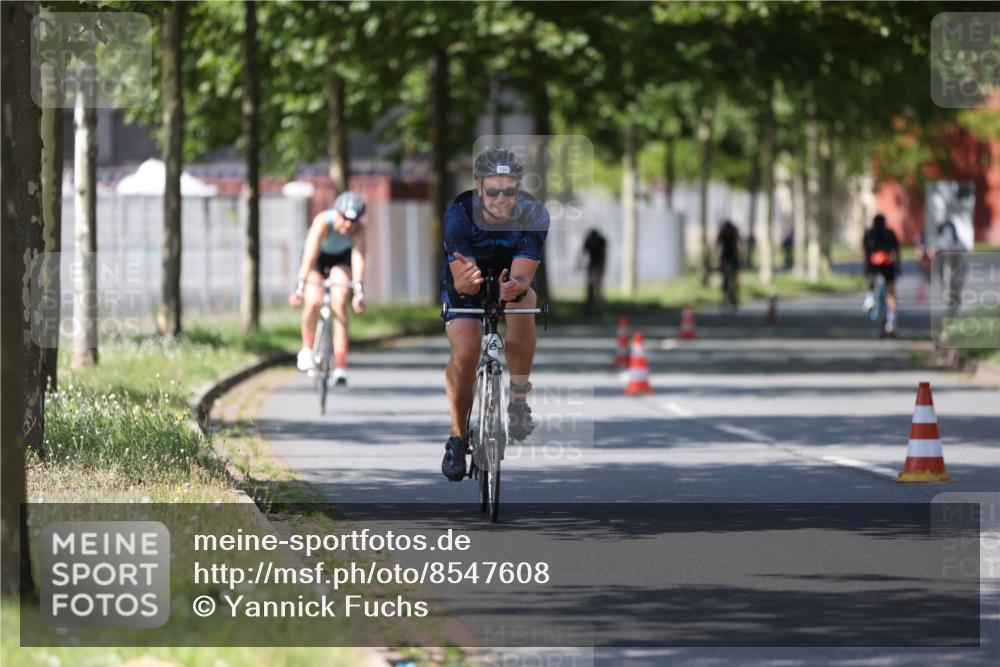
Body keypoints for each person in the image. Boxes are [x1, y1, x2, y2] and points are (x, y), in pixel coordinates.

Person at [439, 147, 549, 482]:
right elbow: (463, 280)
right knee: (467, 352)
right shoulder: (459, 212)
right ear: (478, 186)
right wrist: (473, 285)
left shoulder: (534, 213)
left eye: (509, 191)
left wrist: (512, 286)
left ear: (518, 187)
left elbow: (523, 276)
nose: (502, 198)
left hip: (510, 277)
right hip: (466, 280)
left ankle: (517, 396)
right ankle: (458, 438)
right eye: (493, 191)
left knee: (523, 301)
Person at [288, 191, 367, 386]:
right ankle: (306, 348)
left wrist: (358, 291)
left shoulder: (359, 230)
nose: (348, 225)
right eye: (344, 218)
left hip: (341, 260)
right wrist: (300, 286)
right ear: (336, 212)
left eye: (353, 220)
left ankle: (340, 366)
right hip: (317, 259)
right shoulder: (323, 221)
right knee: (313, 300)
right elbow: (310, 253)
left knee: (339, 303)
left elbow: (358, 258)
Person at [861, 213, 900, 334]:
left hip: (874, 266)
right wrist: (898, 265)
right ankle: (891, 322)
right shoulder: (890, 233)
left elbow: (866, 252)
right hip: (888, 266)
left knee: (871, 279)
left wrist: (865, 266)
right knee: (891, 294)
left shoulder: (869, 233)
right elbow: (896, 251)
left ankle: (869, 298)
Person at [582, 228, 607, 317]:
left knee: (598, 287)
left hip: (598, 265)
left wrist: (602, 267)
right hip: (591, 266)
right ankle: (591, 304)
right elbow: (583, 251)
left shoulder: (601, 241)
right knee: (590, 286)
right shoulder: (589, 241)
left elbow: (604, 255)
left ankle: (599, 305)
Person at [716, 220, 741, 310]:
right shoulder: (734, 233)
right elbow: (737, 247)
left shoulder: (723, 233)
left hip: (725, 259)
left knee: (726, 279)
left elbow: (717, 244)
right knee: (733, 280)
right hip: (733, 259)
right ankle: (733, 298)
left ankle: (726, 298)